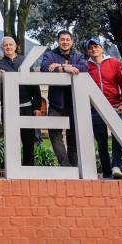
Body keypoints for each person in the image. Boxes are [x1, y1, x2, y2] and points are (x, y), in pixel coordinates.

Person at [0, 36, 42, 167]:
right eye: (5, 45)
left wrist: (37, 106)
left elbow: (34, 84)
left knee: (29, 140)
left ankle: (28, 169)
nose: (8, 47)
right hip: (8, 108)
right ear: (1, 49)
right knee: (11, 140)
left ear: (15, 46)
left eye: (10, 45)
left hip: (27, 107)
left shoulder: (25, 61)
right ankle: (13, 168)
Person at [40, 30, 88, 167]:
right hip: (56, 104)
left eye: (68, 39)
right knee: (55, 136)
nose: (65, 42)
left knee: (73, 139)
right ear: (58, 41)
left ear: (72, 42)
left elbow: (84, 68)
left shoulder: (78, 56)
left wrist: (62, 66)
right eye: (62, 39)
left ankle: (75, 170)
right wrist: (66, 69)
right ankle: (66, 167)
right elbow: (44, 69)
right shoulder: (50, 55)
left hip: (74, 104)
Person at [84, 38, 122, 179]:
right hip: (95, 108)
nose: (94, 49)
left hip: (115, 106)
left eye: (96, 46)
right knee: (101, 142)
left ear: (102, 48)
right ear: (87, 51)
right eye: (90, 48)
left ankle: (116, 166)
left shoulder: (114, 63)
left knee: (117, 137)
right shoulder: (85, 66)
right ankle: (106, 172)